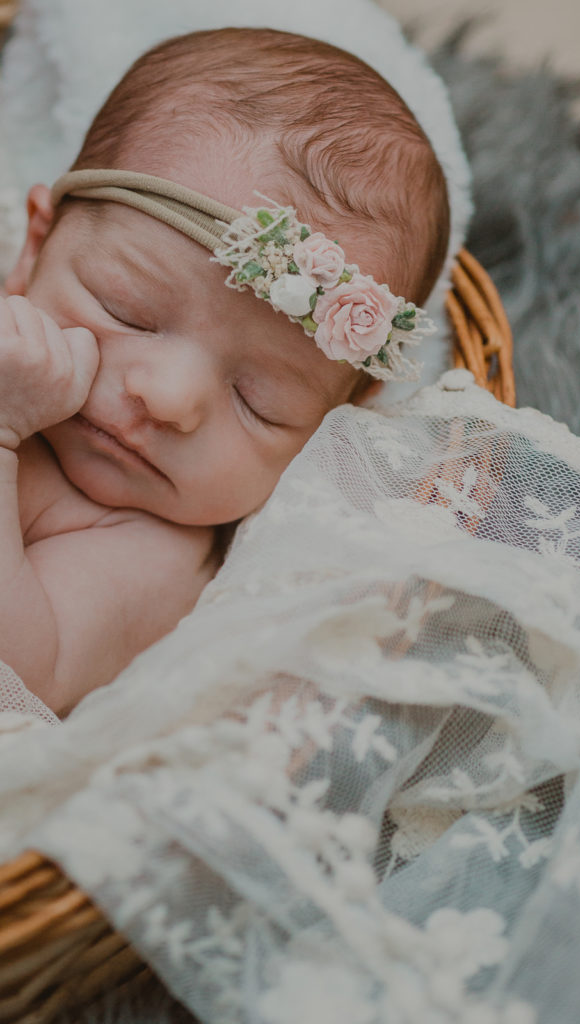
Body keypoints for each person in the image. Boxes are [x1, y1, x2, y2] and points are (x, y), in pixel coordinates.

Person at [0, 26, 450, 716]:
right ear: (34, 248)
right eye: (127, 311)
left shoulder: (146, 547)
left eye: (257, 400)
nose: (169, 398)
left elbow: (22, 677)